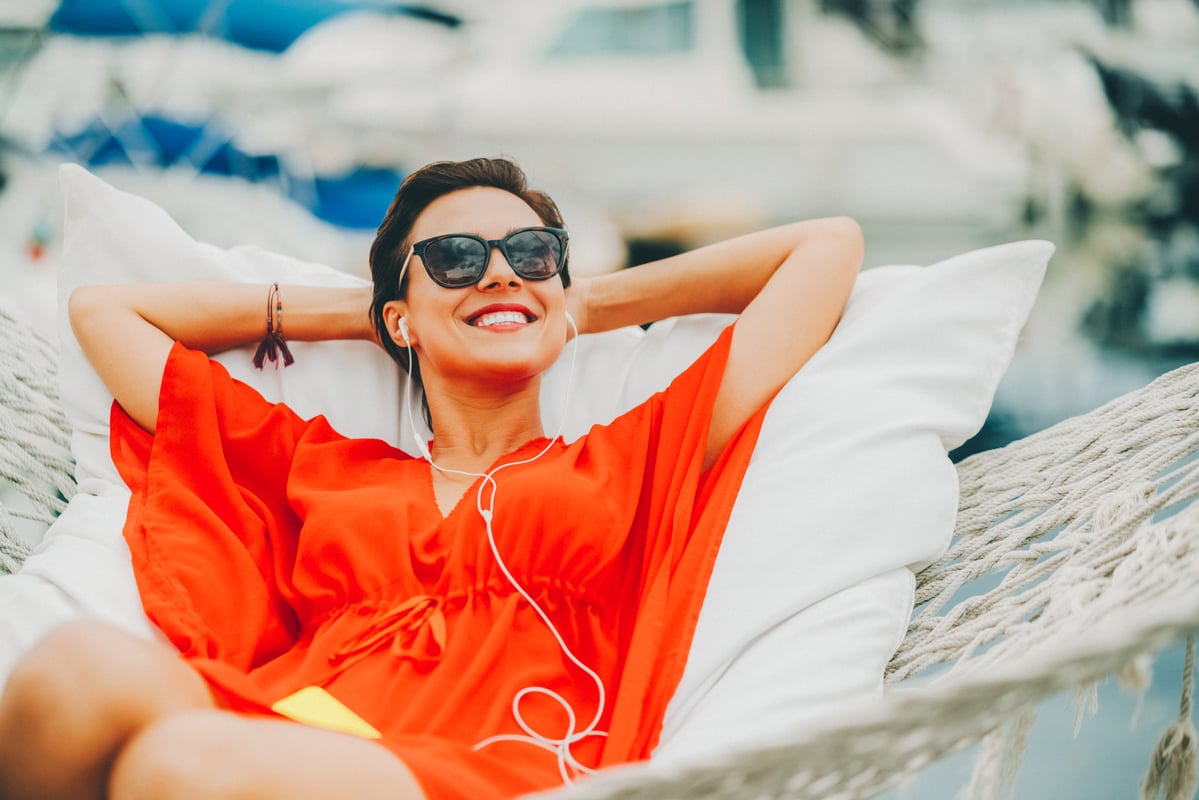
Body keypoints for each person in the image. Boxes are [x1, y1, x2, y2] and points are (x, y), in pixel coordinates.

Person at [0, 157, 862, 800]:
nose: (499, 271)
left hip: (487, 765)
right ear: (400, 318)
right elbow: (106, 313)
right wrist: (371, 312)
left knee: (177, 765)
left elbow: (824, 249)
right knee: (72, 671)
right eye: (454, 257)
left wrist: (576, 304)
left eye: (531, 252)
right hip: (298, 720)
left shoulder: (628, 457)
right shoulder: (326, 468)